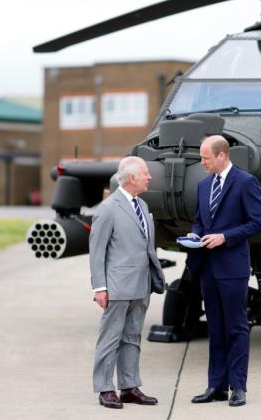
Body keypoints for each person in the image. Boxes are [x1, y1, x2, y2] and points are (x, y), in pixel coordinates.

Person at [187, 135, 261, 407]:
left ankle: (238, 387)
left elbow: (257, 222)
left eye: (205, 158)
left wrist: (225, 237)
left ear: (222, 155)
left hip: (232, 268)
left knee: (236, 328)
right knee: (216, 328)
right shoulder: (203, 185)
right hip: (209, 268)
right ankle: (216, 386)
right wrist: (194, 234)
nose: (202, 162)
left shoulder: (246, 183)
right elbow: (199, 221)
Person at [89, 156, 166, 409]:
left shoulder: (142, 205)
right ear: (131, 177)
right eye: (145, 173)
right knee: (110, 338)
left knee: (132, 337)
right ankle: (104, 388)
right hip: (117, 286)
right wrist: (100, 287)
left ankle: (130, 386)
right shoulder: (108, 208)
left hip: (141, 285)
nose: (149, 177)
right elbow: (97, 251)